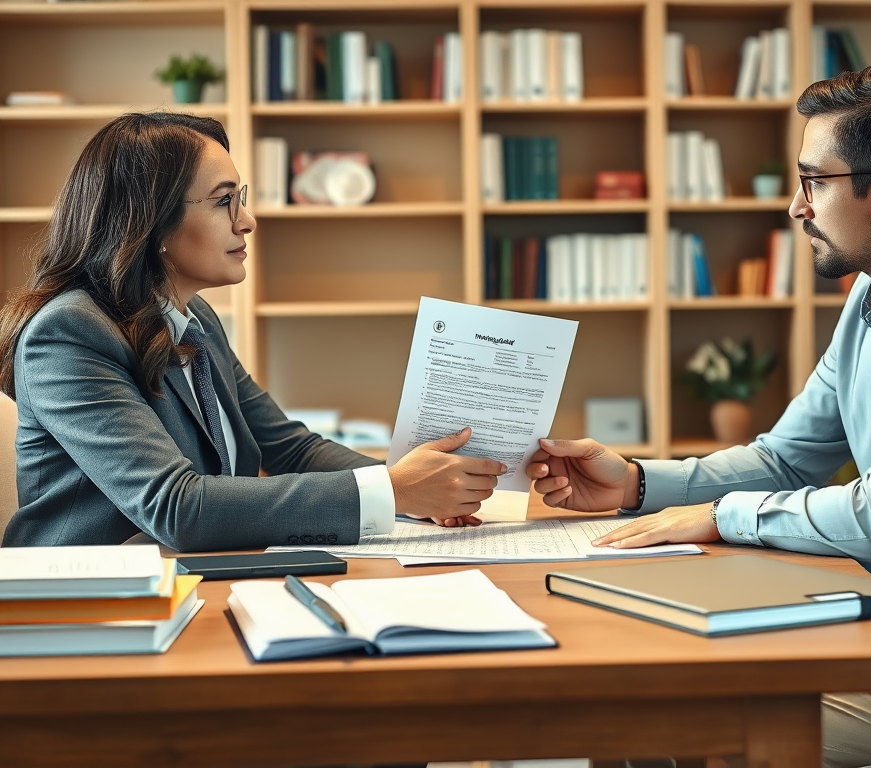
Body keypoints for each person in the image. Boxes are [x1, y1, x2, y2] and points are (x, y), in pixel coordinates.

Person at [527, 37, 871, 767]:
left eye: (813, 182)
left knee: (683, 732)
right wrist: (634, 482)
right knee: (633, 690)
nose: (796, 207)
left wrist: (719, 516)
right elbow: (786, 459)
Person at [0, 112, 504, 551]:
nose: (248, 221)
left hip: (192, 577)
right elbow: (175, 506)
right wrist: (393, 490)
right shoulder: (68, 334)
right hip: (82, 608)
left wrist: (418, 487)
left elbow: (292, 450)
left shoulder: (194, 321)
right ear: (149, 224)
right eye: (223, 202)